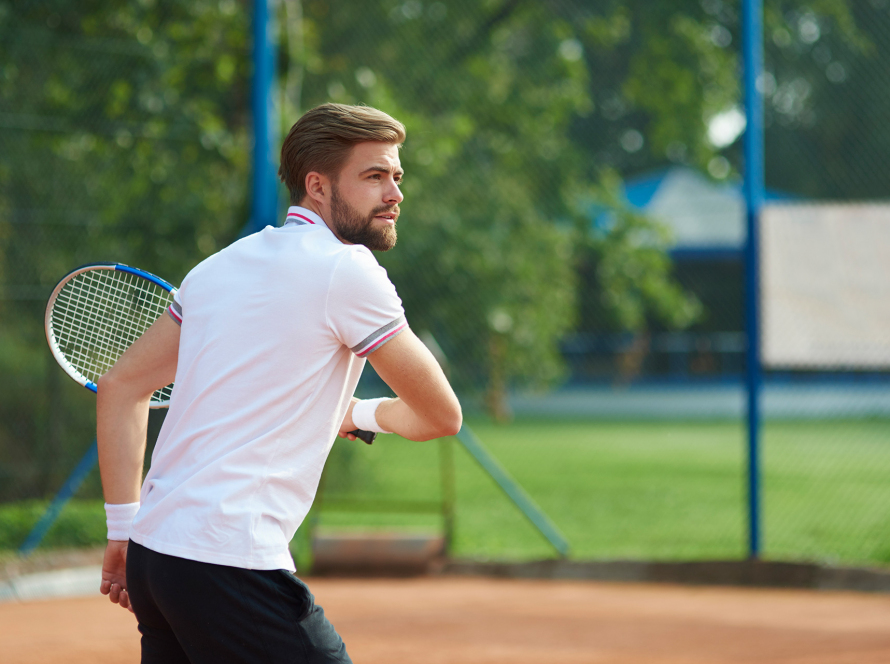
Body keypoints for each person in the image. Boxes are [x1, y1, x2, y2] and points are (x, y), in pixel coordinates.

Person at [95, 103, 462, 663]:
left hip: (156, 557)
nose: (395, 193)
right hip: (228, 560)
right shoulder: (349, 271)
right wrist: (362, 415)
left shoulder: (218, 266)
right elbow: (441, 415)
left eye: (396, 176)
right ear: (317, 185)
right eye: (373, 176)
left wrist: (121, 531)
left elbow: (122, 385)